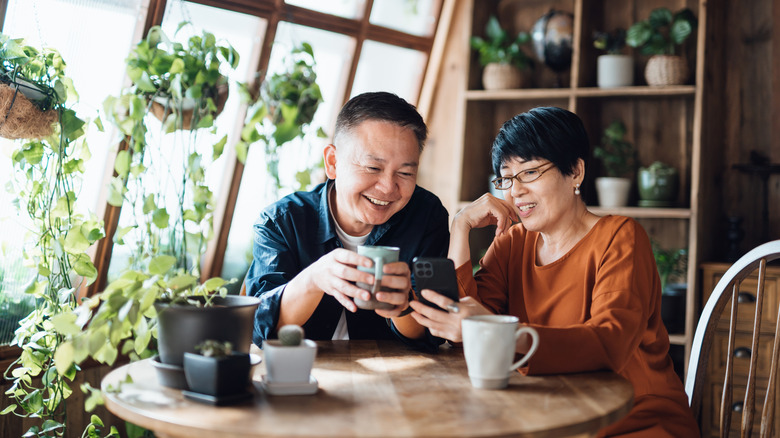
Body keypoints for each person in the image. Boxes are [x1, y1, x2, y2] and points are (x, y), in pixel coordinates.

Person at [409, 107, 699, 437]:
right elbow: (463, 331)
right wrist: (460, 227)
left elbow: (609, 343)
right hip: (550, 414)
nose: (515, 191)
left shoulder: (620, 237)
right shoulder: (512, 243)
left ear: (575, 172)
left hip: (634, 418)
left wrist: (494, 333)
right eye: (506, 177)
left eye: (530, 172)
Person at [246, 91, 449, 350]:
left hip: (395, 379)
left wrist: (403, 307)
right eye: (373, 168)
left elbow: (433, 333)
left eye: (405, 172)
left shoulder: (426, 216)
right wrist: (314, 279)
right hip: (303, 371)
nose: (388, 187)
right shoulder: (282, 222)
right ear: (332, 162)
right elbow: (261, 330)